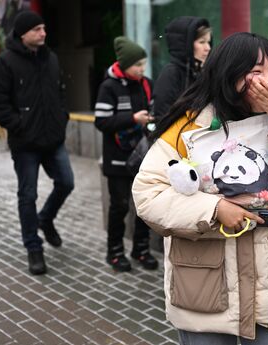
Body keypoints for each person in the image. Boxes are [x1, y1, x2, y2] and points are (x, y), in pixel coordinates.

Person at [132, 32, 268, 344]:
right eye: (255, 72)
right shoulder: (189, 126)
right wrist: (214, 209)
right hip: (206, 287)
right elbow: (148, 195)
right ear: (227, 74)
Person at [0, 11, 74, 275]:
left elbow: (60, 92)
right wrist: (20, 125)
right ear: (23, 33)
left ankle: (46, 219)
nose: (43, 33)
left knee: (66, 182)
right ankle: (33, 247)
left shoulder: (50, 58)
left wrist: (62, 117)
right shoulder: (5, 63)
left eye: (44, 28)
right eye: (37, 29)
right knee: (27, 195)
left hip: (53, 139)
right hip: (25, 144)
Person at [94, 36, 158, 272]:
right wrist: (132, 119)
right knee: (119, 206)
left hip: (143, 156)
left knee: (143, 205)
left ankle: (141, 250)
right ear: (123, 64)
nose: (142, 69)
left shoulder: (147, 84)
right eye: (137, 65)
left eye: (144, 64)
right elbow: (101, 122)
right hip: (117, 159)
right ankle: (115, 252)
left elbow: (155, 111)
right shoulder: (108, 87)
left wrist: (151, 119)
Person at [153, 16, 211, 119]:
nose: (208, 48)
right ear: (186, 45)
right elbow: (162, 117)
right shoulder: (171, 74)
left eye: (208, 42)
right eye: (202, 42)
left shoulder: (202, 73)